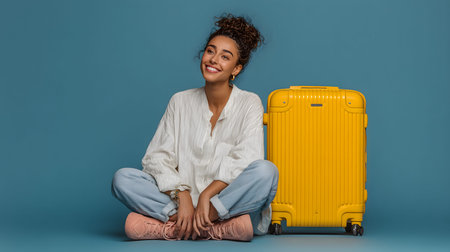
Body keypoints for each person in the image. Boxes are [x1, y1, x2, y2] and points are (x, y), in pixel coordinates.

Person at [111, 14, 278, 242]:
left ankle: (177, 228)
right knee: (123, 179)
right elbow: (156, 157)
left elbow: (246, 158)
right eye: (210, 51)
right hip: (179, 202)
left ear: (236, 69)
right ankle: (209, 228)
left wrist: (208, 195)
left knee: (266, 172)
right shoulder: (179, 101)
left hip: (222, 201)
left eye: (225, 57)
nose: (213, 60)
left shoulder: (250, 103)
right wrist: (183, 195)